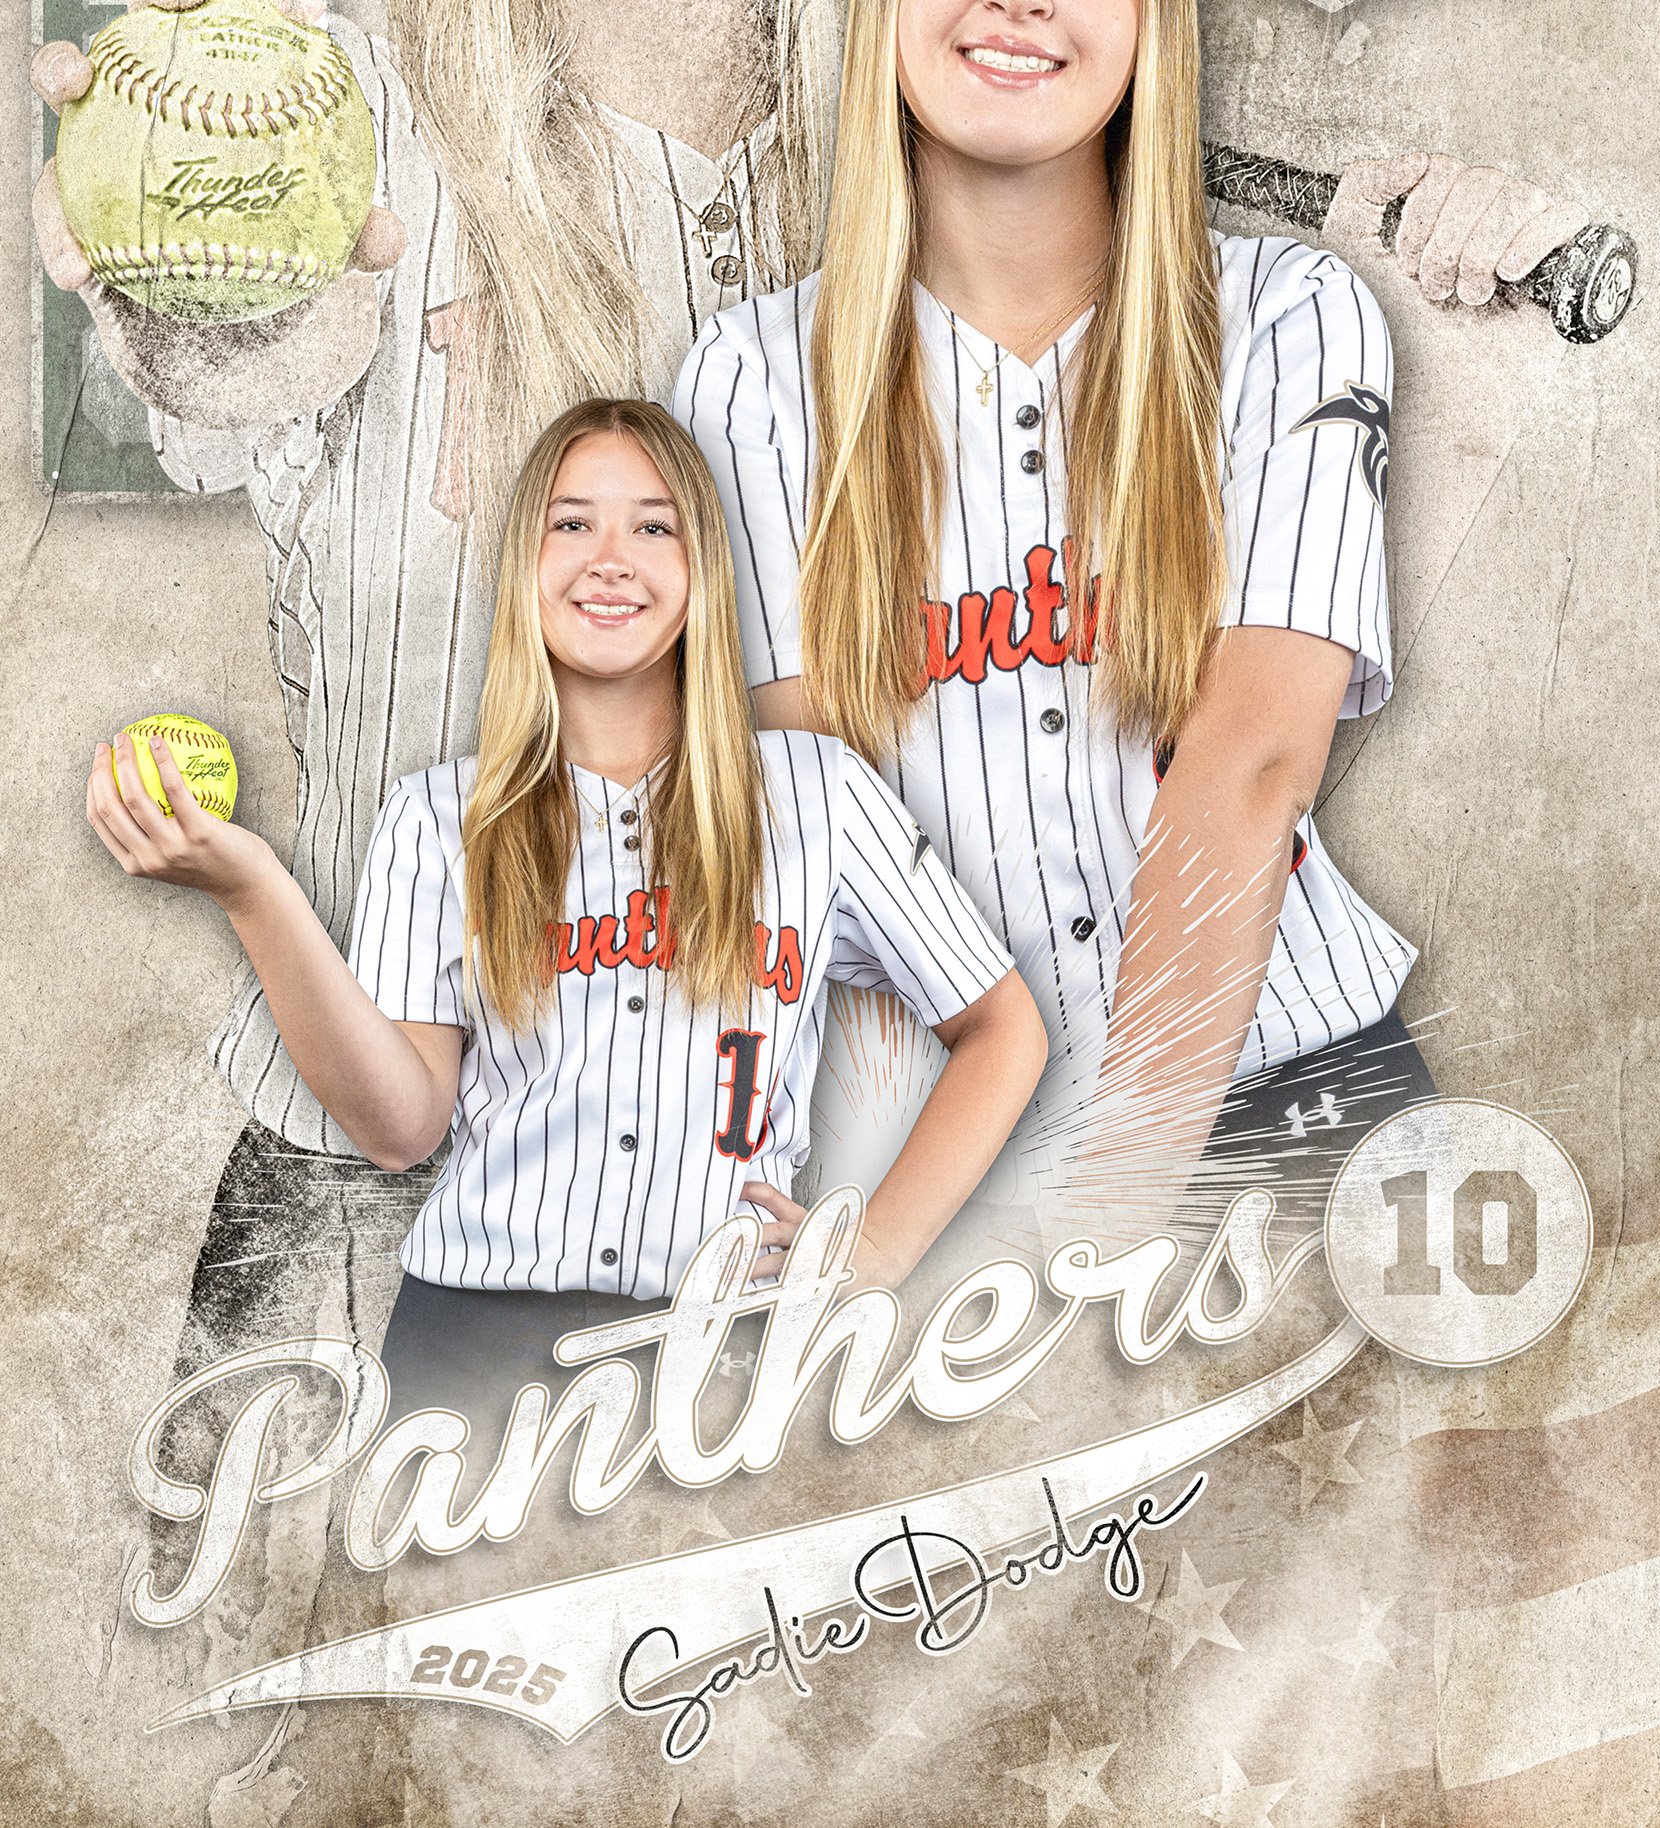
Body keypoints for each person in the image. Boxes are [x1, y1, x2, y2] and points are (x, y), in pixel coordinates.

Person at [32, 0, 876, 1371]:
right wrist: (207, 293)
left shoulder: (934, 175)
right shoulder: (328, 89)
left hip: (800, 1204)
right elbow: (251, 355)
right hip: (366, 1212)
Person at [676, 0, 1456, 1238]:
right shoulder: (748, 379)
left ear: (1149, 17)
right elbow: (813, 866)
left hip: (1289, 1119)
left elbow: (1246, 774)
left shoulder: (1289, 320)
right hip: (947, 1169)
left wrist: (1094, 1224)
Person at [84, 400, 1047, 1431]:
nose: (610, 557)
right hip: (474, 1348)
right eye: (571, 522)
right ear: (524, 565)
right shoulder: (436, 818)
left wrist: (875, 1252)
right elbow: (401, 1125)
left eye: (652, 524)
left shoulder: (816, 796)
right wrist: (254, 892)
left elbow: (1002, 1029)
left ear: (701, 568)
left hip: (728, 1347)